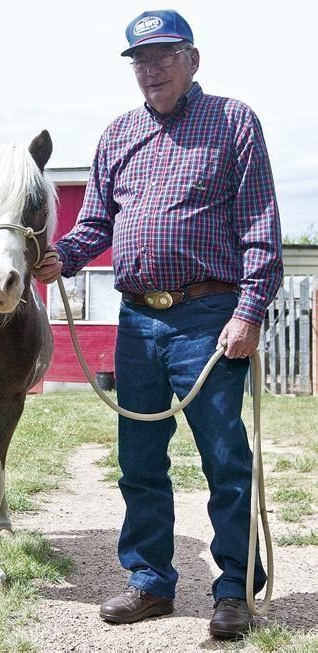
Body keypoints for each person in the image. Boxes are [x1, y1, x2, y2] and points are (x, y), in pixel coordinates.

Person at [34, 9, 283, 639]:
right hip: (138, 321)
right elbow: (95, 225)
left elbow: (261, 231)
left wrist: (248, 311)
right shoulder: (117, 135)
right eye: (142, 61)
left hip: (209, 316)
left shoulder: (233, 122)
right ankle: (149, 581)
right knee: (139, 459)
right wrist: (62, 257)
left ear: (193, 60)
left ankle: (233, 589)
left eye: (165, 57)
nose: (153, 71)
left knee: (225, 458)